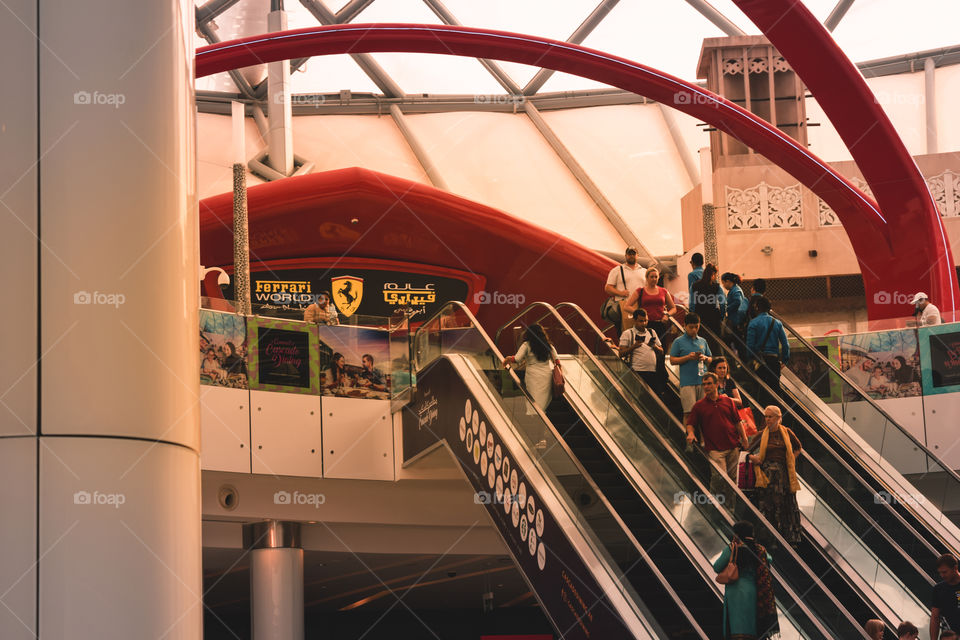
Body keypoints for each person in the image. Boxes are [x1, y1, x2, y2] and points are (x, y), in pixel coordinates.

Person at [686, 372, 748, 507]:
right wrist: (690, 434)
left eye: (709, 383)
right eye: (704, 384)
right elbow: (690, 423)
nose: (706, 387)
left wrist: (744, 439)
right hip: (715, 450)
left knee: (732, 480)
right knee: (719, 478)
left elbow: (738, 422)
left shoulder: (728, 401)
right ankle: (714, 507)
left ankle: (730, 509)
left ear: (716, 385)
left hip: (733, 447)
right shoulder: (699, 406)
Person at [712, 520, 779, 640]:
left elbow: (717, 567)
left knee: (737, 629)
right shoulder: (760, 549)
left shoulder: (732, 549)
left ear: (737, 534)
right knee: (751, 628)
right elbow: (769, 559)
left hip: (736, 591)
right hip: (754, 591)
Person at [747, 406, 802, 548]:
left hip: (784, 474)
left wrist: (790, 459)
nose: (767, 419)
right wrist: (755, 458)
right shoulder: (762, 434)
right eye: (766, 416)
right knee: (770, 505)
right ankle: (771, 539)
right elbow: (747, 451)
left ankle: (789, 538)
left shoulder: (787, 432)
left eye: (770, 417)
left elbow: (798, 447)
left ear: (778, 418)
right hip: (768, 475)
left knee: (786, 504)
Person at [503, 324, 561, 411]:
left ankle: (533, 414)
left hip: (533, 375)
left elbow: (517, 359)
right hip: (546, 375)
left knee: (533, 397)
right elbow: (557, 361)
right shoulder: (549, 346)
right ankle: (542, 415)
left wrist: (508, 359)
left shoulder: (526, 345)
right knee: (543, 400)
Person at [746, 296, 790, 403]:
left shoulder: (753, 323)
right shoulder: (777, 323)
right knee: (775, 390)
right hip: (774, 362)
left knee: (760, 391)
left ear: (757, 308)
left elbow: (750, 346)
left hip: (760, 362)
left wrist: (750, 359)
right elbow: (786, 345)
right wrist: (784, 360)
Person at [669, 312, 712, 421]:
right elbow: (672, 360)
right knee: (689, 413)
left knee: (704, 413)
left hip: (703, 381)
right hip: (687, 383)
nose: (694, 330)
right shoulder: (678, 342)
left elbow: (710, 358)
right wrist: (688, 357)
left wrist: (705, 358)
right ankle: (689, 436)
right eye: (691, 327)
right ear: (685, 326)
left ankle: (703, 438)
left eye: (696, 327)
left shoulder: (703, 341)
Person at [619, 309, 664, 397]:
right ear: (634, 320)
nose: (644, 323)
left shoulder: (651, 332)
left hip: (652, 371)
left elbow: (661, 351)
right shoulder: (628, 333)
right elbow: (621, 353)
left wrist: (654, 346)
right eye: (641, 321)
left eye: (645, 320)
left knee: (653, 398)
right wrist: (634, 346)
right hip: (637, 371)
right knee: (636, 397)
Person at [622, 266, 676, 339]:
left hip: (660, 324)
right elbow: (626, 306)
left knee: (661, 347)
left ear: (658, 278)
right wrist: (639, 313)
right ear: (647, 278)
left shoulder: (664, 291)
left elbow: (673, 308)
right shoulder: (640, 291)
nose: (654, 279)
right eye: (651, 277)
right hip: (644, 324)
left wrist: (667, 315)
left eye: (656, 277)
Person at [604, 246, 647, 334]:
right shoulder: (617, 270)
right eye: (629, 254)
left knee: (641, 333)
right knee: (624, 333)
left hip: (640, 306)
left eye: (633, 254)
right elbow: (608, 288)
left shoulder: (644, 271)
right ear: (625, 255)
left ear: (637, 255)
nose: (631, 256)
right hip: (623, 306)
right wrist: (620, 293)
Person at [691, 264, 726, 350]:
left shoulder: (694, 286)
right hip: (714, 318)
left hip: (700, 319)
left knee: (700, 344)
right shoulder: (717, 287)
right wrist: (721, 316)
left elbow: (692, 304)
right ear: (713, 274)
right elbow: (723, 303)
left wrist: (694, 316)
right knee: (715, 345)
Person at [931, 553, 960, 640]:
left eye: (944, 572)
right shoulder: (938, 589)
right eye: (940, 573)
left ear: (955, 568)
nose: (942, 575)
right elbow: (935, 617)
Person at [721, 272, 748, 351]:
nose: (723, 286)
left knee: (737, 343)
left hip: (736, 321)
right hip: (735, 320)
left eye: (724, 283)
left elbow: (737, 301)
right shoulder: (734, 289)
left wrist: (727, 308)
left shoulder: (736, 290)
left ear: (728, 281)